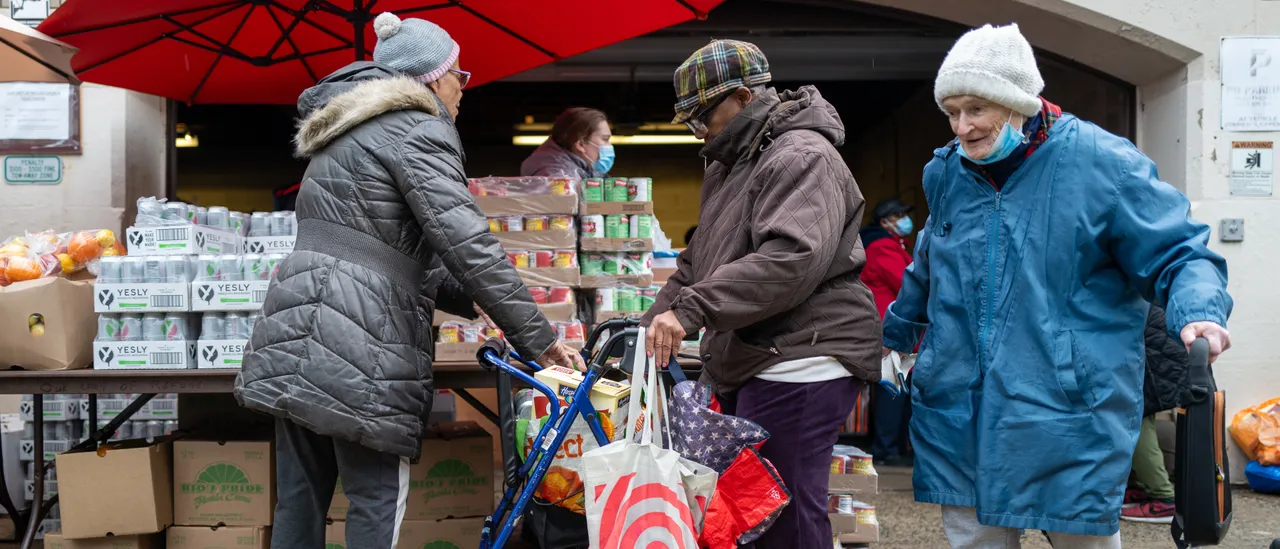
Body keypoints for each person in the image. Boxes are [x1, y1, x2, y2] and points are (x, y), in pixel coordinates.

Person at [234, 13, 583, 549]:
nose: (464, 86)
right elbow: (467, 242)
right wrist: (540, 340)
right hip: (362, 337)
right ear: (430, 79)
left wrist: (472, 299)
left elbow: (378, 244)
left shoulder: (345, 127)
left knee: (301, 498)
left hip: (295, 322)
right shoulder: (420, 127)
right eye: (458, 74)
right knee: (376, 495)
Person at [881, 23, 1232, 549]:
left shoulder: (1103, 164)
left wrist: (1199, 311)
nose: (962, 127)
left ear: (1017, 100)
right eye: (951, 111)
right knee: (973, 541)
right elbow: (930, 257)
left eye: (975, 108)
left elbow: (1180, 251)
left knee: (1081, 542)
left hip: (1066, 408)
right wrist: (900, 334)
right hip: (962, 403)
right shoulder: (947, 172)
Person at [643, 39, 881, 548]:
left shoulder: (801, 155)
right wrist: (646, 328)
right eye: (691, 120)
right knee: (754, 510)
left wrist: (692, 310)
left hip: (804, 355)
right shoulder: (728, 165)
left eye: (704, 115)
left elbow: (790, 259)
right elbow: (697, 262)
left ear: (746, 97)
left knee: (783, 510)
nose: (700, 130)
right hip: (761, 354)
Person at [860, 198, 916, 467]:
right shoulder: (883, 247)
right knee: (894, 388)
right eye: (898, 215)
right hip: (892, 328)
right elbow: (908, 282)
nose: (905, 220)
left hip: (893, 327)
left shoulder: (888, 245)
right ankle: (886, 449)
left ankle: (891, 446)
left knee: (895, 386)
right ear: (884, 222)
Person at [1122, 304, 1189, 523]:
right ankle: (1147, 488)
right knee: (1137, 420)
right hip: (1161, 354)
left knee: (1136, 421)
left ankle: (1164, 499)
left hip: (1155, 359)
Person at [520, 107, 613, 179]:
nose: (610, 146)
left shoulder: (586, 169)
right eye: (605, 139)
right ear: (580, 144)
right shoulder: (558, 178)